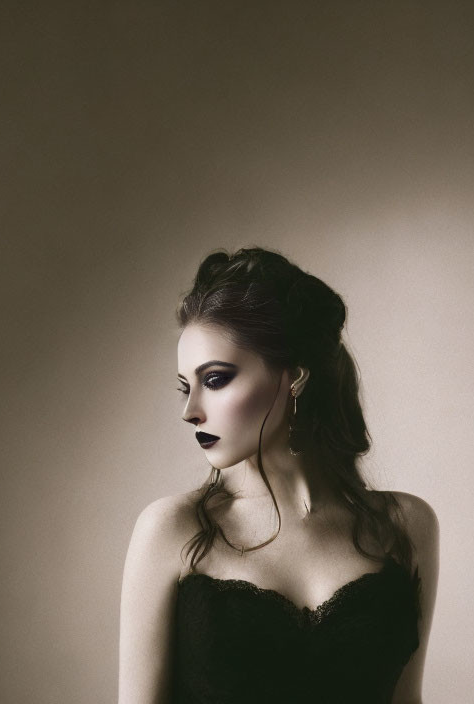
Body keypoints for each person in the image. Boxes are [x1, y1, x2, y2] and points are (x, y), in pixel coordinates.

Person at [119, 246, 439, 704]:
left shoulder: (406, 525)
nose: (190, 411)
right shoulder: (172, 530)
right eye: (185, 388)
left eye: (215, 380)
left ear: (295, 378)